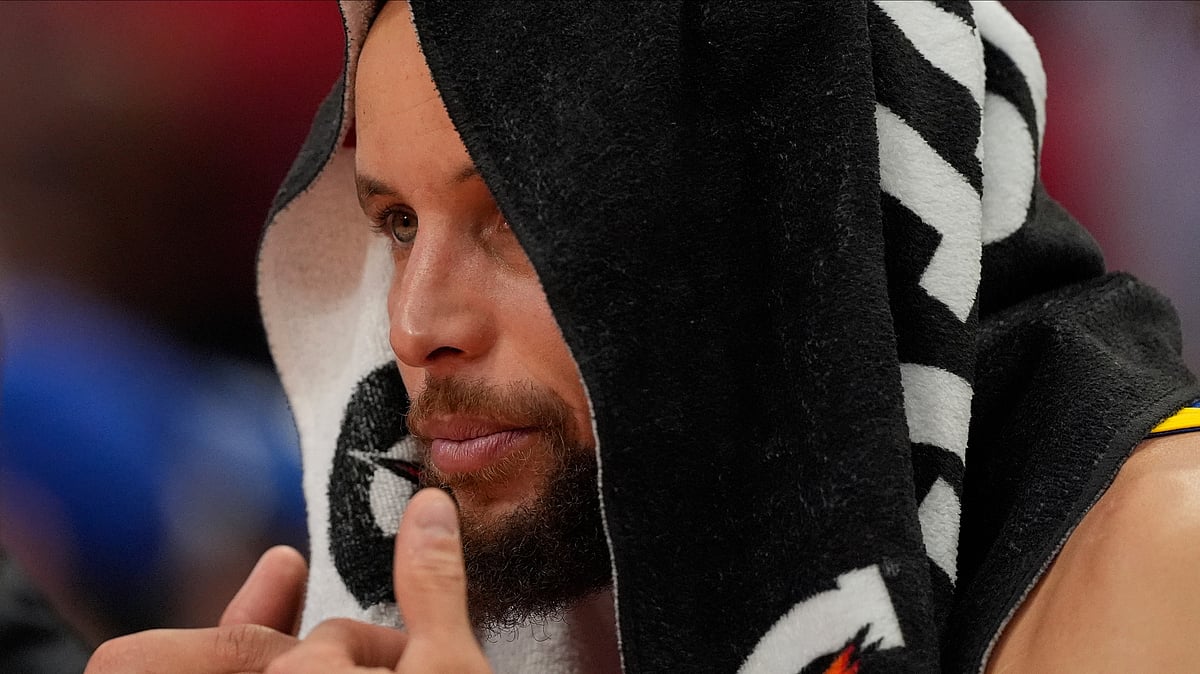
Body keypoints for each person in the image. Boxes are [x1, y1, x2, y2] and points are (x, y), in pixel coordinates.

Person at [86, 1, 1200, 672]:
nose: (415, 323)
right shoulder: (622, 566)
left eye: (521, 219)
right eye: (394, 222)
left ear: (781, 214)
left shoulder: (1168, 554)